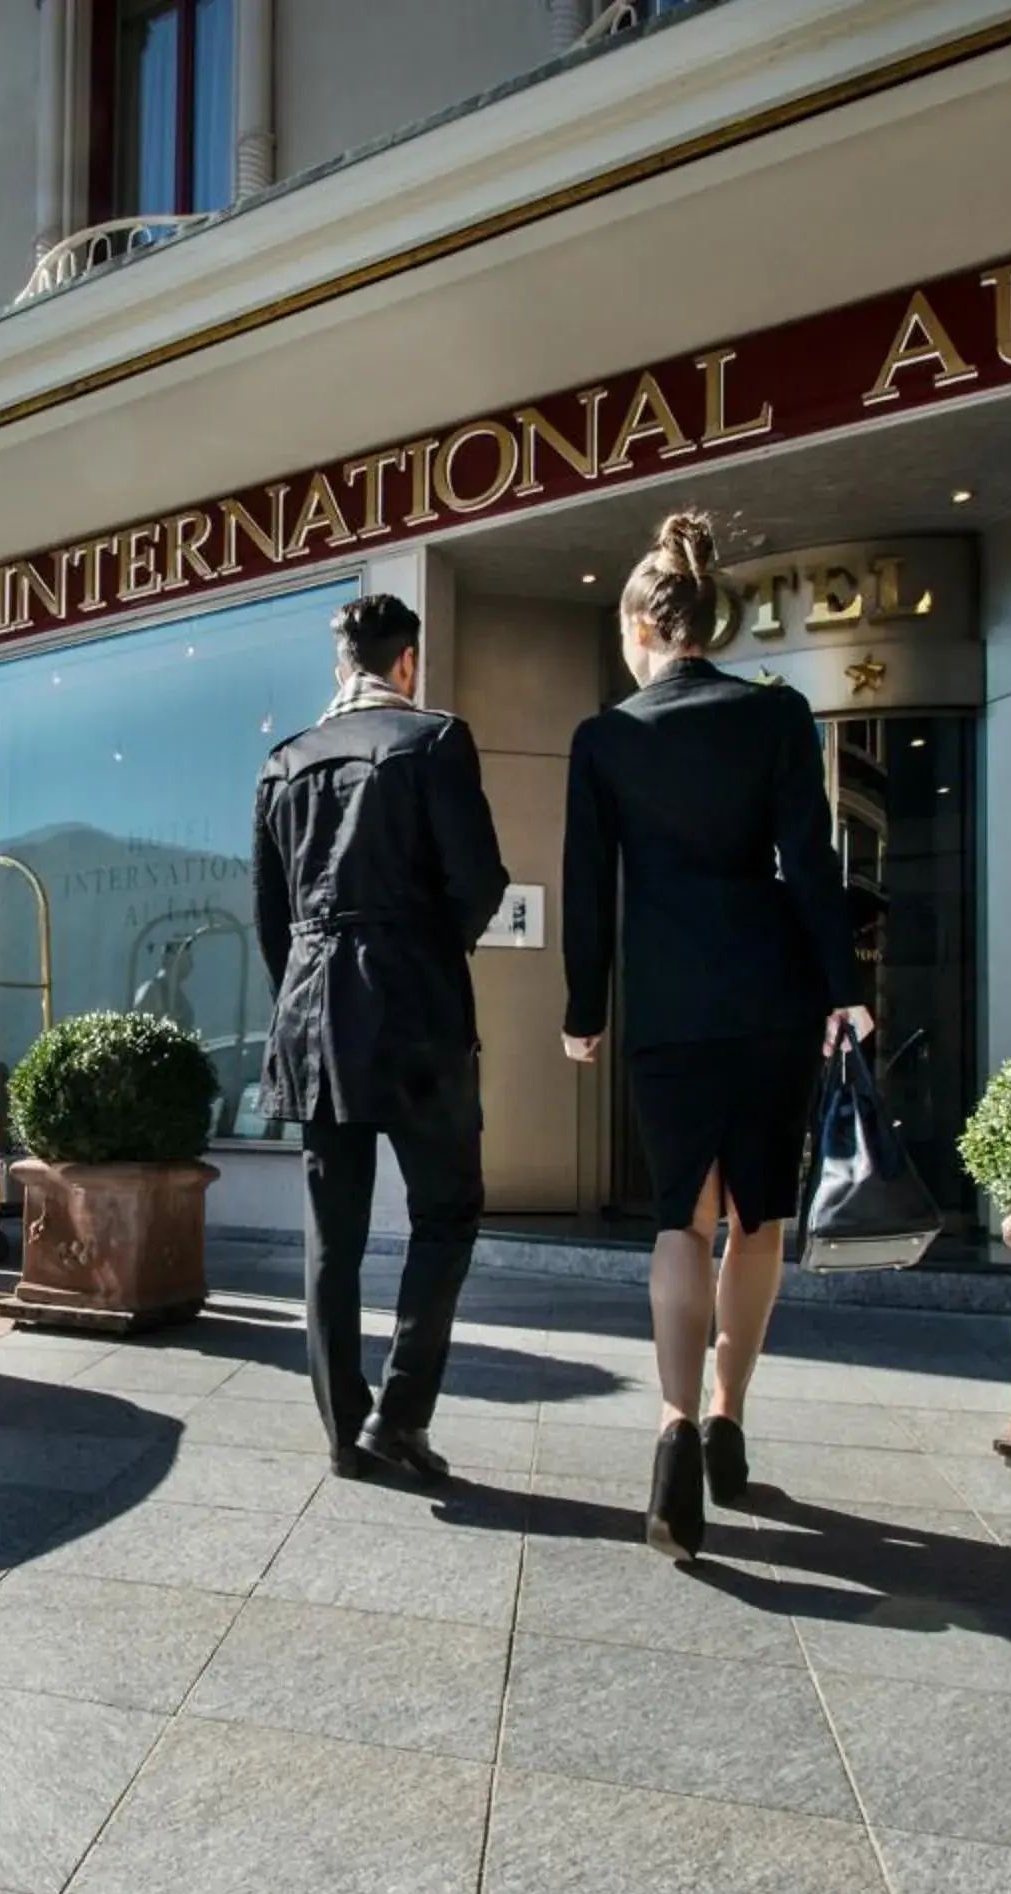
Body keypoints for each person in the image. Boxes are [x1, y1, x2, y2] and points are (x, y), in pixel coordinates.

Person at [561, 511, 873, 1561]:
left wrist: (584, 1010)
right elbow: (811, 862)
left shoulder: (605, 738)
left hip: (669, 1002)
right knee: (758, 1218)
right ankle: (730, 1420)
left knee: (679, 1223)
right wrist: (843, 988)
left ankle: (675, 1434)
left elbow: (587, 890)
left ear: (641, 626)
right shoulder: (777, 716)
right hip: (771, 994)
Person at [254, 592, 510, 1484]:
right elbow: (480, 880)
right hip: (417, 1009)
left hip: (314, 1010)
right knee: (447, 1210)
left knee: (334, 1234)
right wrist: (432, 945)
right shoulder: (434, 741)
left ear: (342, 667)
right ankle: (398, 1416)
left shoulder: (284, 761)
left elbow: (270, 918)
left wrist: (302, 994)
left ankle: (342, 1428)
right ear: (408, 663)